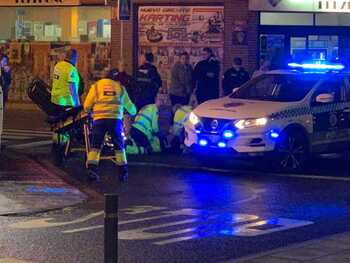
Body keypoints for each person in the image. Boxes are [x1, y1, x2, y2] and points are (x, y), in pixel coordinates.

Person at [84, 68, 137, 182]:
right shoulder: (120, 88)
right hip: (115, 121)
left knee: (95, 146)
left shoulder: (96, 86)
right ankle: (123, 172)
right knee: (119, 146)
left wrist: (89, 111)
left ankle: (92, 170)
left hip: (99, 120)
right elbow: (130, 107)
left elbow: (87, 105)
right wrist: (133, 112)